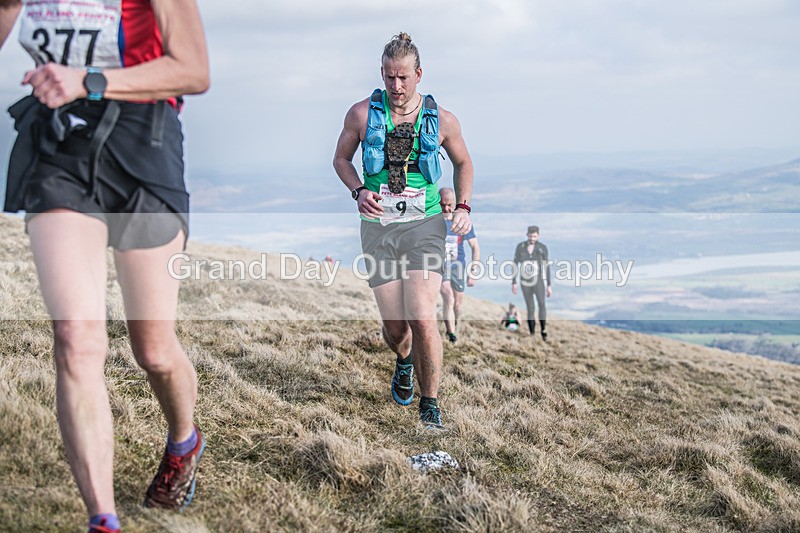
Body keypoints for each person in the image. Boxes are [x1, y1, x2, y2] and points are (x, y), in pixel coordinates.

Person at [1, 1, 209, 531]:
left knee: (153, 350)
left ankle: (183, 441)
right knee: (76, 338)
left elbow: (193, 70)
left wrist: (88, 80)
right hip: (60, 144)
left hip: (145, 142)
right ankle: (103, 520)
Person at [333, 32, 474, 430]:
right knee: (396, 329)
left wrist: (463, 206)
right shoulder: (361, 114)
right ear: (381, 73)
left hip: (424, 225)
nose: (396, 86)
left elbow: (464, 163)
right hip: (379, 228)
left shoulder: (443, 119)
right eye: (389, 76)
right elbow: (341, 159)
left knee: (422, 316)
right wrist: (359, 191)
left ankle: (430, 405)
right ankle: (404, 360)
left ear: (419, 74)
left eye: (404, 77)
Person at [438, 186, 479, 344]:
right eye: (442, 205)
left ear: (455, 204)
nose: (446, 208)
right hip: (440, 267)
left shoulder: (461, 222)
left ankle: (454, 324)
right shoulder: (433, 222)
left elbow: (475, 247)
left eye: (449, 205)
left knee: (458, 303)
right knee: (448, 297)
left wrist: (473, 271)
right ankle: (452, 335)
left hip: (458, 266)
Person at [512, 225, 552, 341]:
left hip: (538, 281)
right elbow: (515, 264)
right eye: (530, 236)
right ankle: (532, 333)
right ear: (527, 235)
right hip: (525, 282)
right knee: (530, 308)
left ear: (538, 236)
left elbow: (546, 267)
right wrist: (514, 282)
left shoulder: (542, 248)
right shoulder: (520, 247)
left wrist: (549, 285)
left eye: (534, 236)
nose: (532, 238)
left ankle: (543, 330)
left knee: (541, 304)